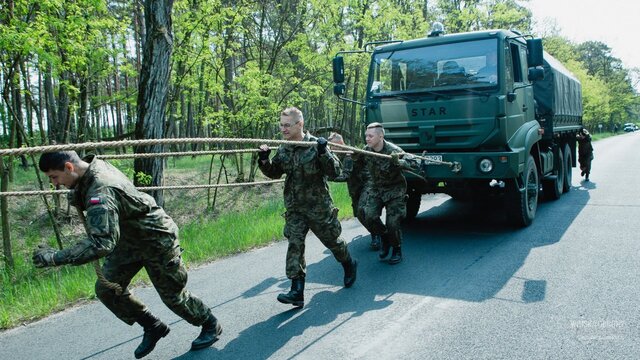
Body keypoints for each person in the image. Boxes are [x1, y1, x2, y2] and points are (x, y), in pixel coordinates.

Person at [32, 151, 221, 359]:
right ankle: (153, 326)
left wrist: (54, 257)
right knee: (106, 288)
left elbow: (101, 243)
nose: (55, 184)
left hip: (156, 239)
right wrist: (77, 192)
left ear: (69, 167)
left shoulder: (101, 189)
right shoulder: (89, 170)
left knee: (173, 297)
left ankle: (210, 324)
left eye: (54, 177)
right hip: (129, 240)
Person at [257, 107, 358, 308]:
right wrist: (263, 159)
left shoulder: (316, 145)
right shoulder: (284, 147)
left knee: (333, 242)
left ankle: (349, 264)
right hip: (295, 208)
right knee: (295, 244)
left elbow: (335, 172)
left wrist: (323, 153)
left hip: (319, 207)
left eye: (287, 125)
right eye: (281, 125)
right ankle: (297, 291)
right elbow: (275, 172)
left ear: (299, 124)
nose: (283, 129)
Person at [355, 122, 418, 265]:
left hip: (395, 190)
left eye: (370, 136)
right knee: (369, 216)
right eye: (366, 136)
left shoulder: (393, 150)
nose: (367, 138)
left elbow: (414, 165)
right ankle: (385, 238)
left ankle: (397, 249)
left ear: (381, 136)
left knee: (393, 223)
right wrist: (352, 155)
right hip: (377, 189)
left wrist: (400, 163)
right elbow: (355, 163)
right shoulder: (366, 150)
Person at [327, 132, 381, 250]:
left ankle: (378, 235)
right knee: (359, 214)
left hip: (367, 184)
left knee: (364, 210)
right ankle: (377, 232)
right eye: (330, 146)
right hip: (355, 187)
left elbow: (345, 176)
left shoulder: (348, 154)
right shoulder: (337, 155)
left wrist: (327, 178)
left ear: (340, 143)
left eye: (333, 146)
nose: (331, 149)